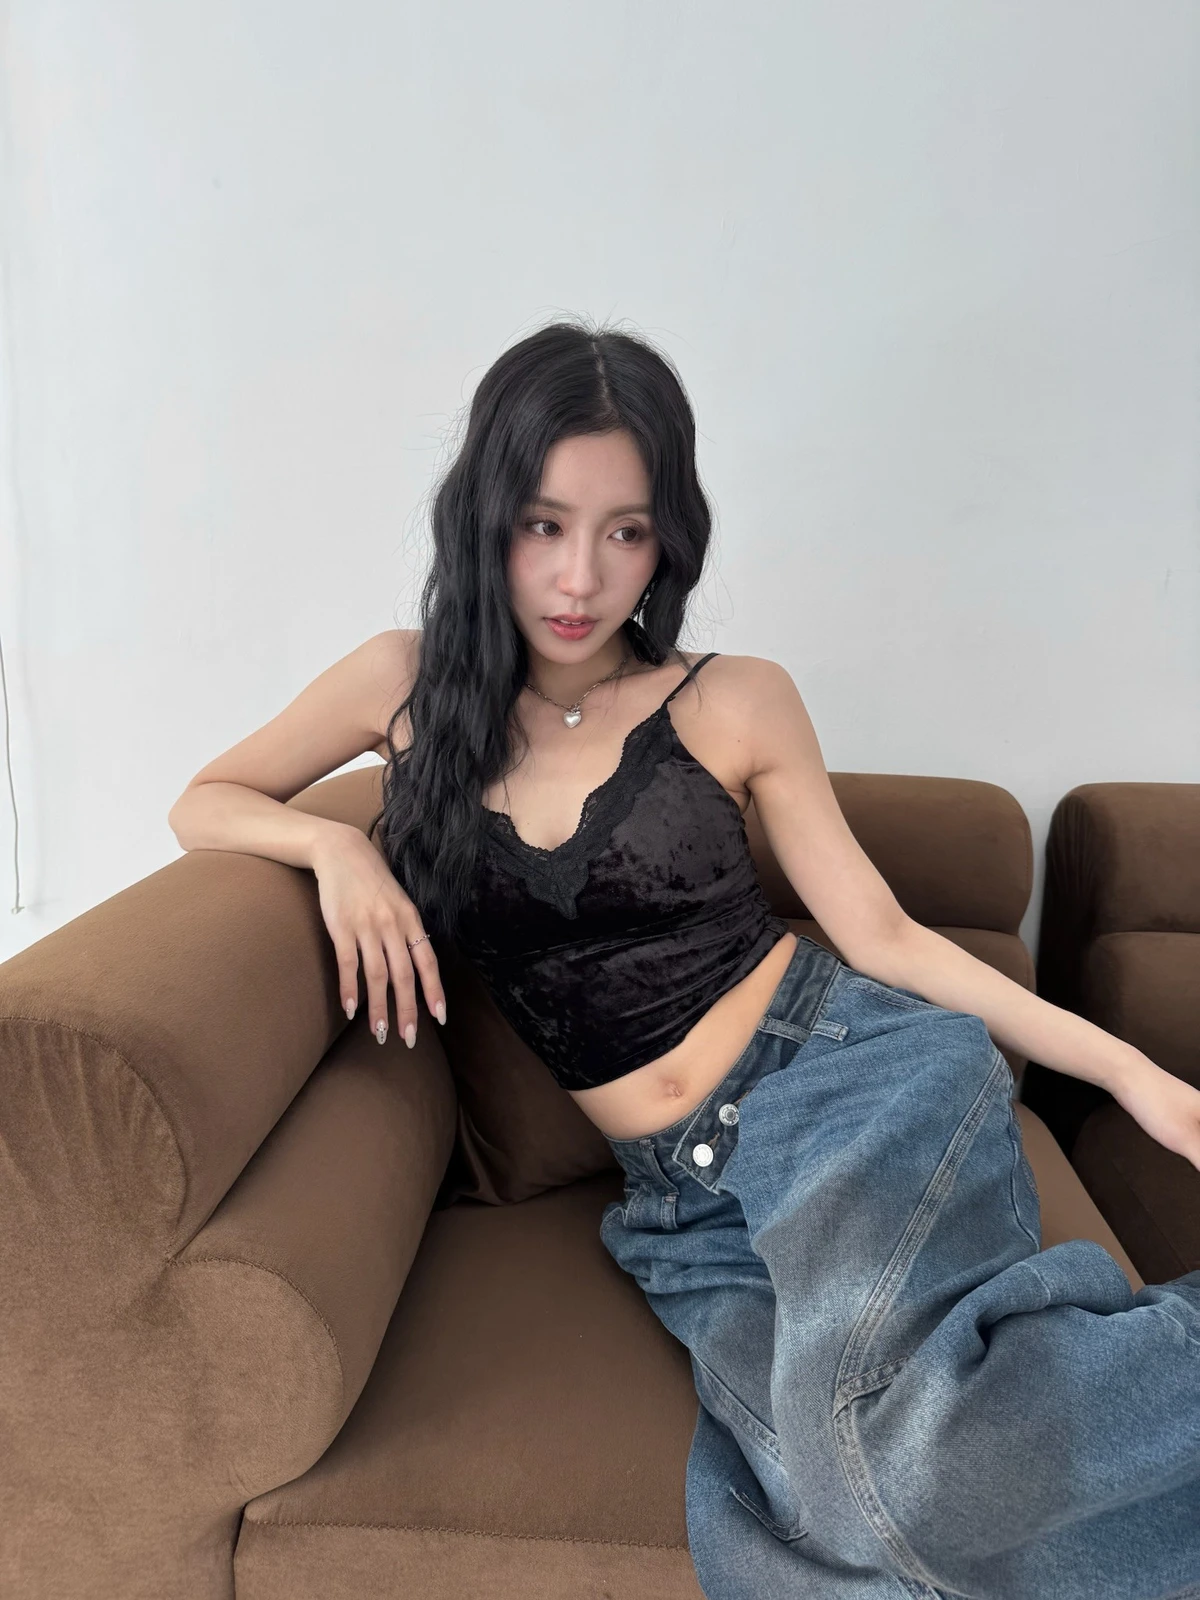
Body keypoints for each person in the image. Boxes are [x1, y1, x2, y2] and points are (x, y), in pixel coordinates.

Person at [169, 317, 1200, 1600]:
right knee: (841, 1518)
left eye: (626, 531)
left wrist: (1138, 1077)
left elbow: (884, 935)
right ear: (486, 515)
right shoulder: (404, 685)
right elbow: (205, 799)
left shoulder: (734, 698)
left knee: (903, 1478)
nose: (580, 576)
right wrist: (336, 849)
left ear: (668, 539)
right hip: (680, 1198)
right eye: (544, 524)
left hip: (846, 1084)